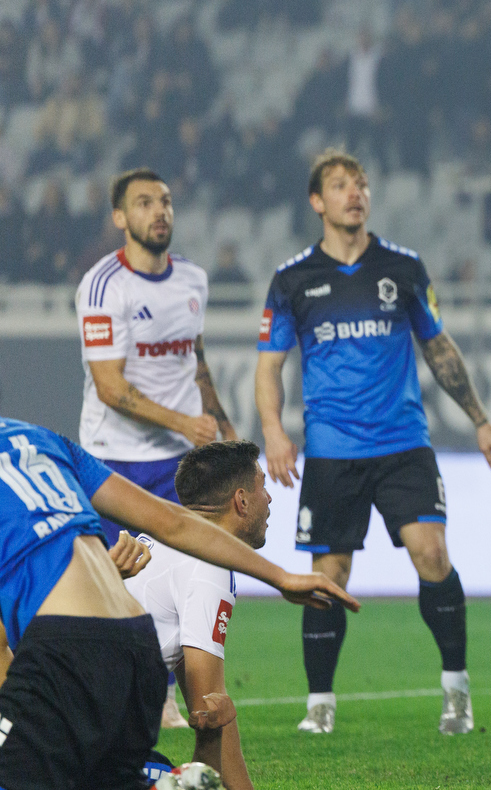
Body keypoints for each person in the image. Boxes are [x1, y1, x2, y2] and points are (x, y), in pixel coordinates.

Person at [256, 150, 491, 736]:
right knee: (329, 576)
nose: (355, 193)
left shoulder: (403, 267)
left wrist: (480, 418)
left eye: (362, 184)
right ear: (317, 202)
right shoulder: (293, 280)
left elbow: (439, 349)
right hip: (332, 448)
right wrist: (273, 431)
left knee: (432, 555)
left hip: (402, 442)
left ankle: (456, 692)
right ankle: (319, 704)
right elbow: (269, 366)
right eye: (341, 185)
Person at [0, 414, 356, 790]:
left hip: (65, 652)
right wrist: (279, 577)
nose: (268, 497)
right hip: (134, 647)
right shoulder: (44, 439)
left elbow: (209, 708)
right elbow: (173, 521)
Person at [75, 167, 237, 727]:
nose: (159, 211)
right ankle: (88, 692)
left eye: (165, 201)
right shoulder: (103, 286)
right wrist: (185, 422)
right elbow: (110, 387)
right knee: (111, 580)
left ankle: (170, 691)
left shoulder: (192, 279)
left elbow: (194, 357)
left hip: (177, 463)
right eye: (144, 203)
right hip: (111, 458)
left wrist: (220, 420)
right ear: (120, 218)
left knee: (193, 574)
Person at [124, 440, 273, 790]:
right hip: (65, 747)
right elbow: (209, 713)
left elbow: (208, 698)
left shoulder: (167, 543)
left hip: (51, 725)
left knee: (156, 766)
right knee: (186, 784)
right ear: (242, 500)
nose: (269, 498)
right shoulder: (209, 566)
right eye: (263, 485)